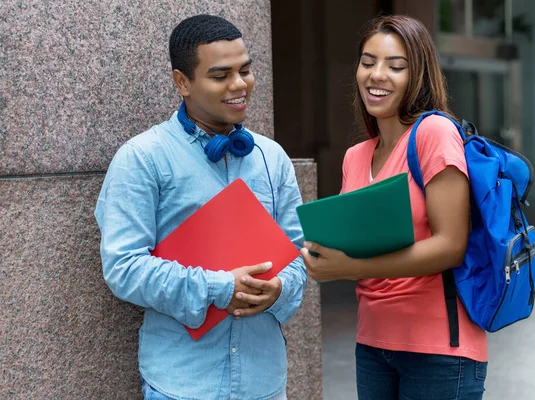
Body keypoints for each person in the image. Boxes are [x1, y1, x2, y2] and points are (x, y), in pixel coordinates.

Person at [94, 14, 306, 400]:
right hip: (182, 385)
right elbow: (123, 267)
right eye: (221, 75)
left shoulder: (273, 158)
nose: (240, 85)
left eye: (246, 70)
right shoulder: (142, 158)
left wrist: (281, 287)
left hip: (265, 382)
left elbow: (300, 252)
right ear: (182, 82)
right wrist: (219, 287)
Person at [300, 15, 488, 400]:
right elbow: (358, 243)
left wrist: (352, 267)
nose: (377, 75)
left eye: (395, 66)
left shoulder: (434, 133)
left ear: (418, 75)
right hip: (372, 344)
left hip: (438, 348)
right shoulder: (355, 156)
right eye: (368, 62)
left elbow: (451, 246)